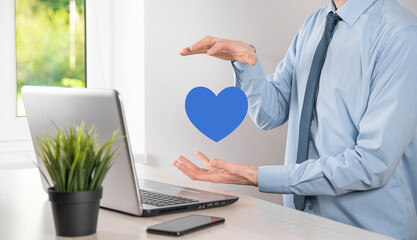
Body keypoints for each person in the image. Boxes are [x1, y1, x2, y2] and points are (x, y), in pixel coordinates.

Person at [173, 0, 417, 239]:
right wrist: (246, 62)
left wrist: (258, 176)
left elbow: (372, 164)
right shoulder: (314, 24)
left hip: (367, 231)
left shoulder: (401, 35)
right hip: (302, 225)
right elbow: (271, 113)